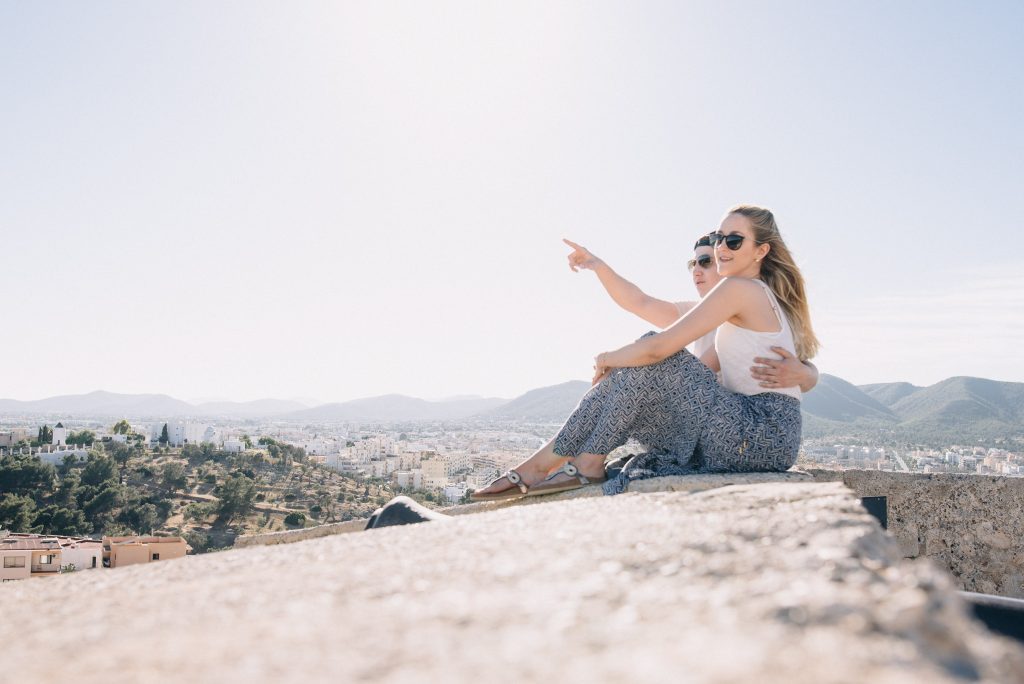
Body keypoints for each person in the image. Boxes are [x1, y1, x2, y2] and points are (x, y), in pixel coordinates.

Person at [472, 204, 819, 501]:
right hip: (757, 434)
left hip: (757, 433)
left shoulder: (739, 289)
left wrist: (608, 359)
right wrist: (629, 366)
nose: (720, 249)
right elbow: (658, 337)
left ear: (760, 251)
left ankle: (559, 464)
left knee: (651, 351)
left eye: (733, 241)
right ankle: (565, 462)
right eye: (717, 239)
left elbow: (659, 350)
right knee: (645, 361)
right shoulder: (747, 296)